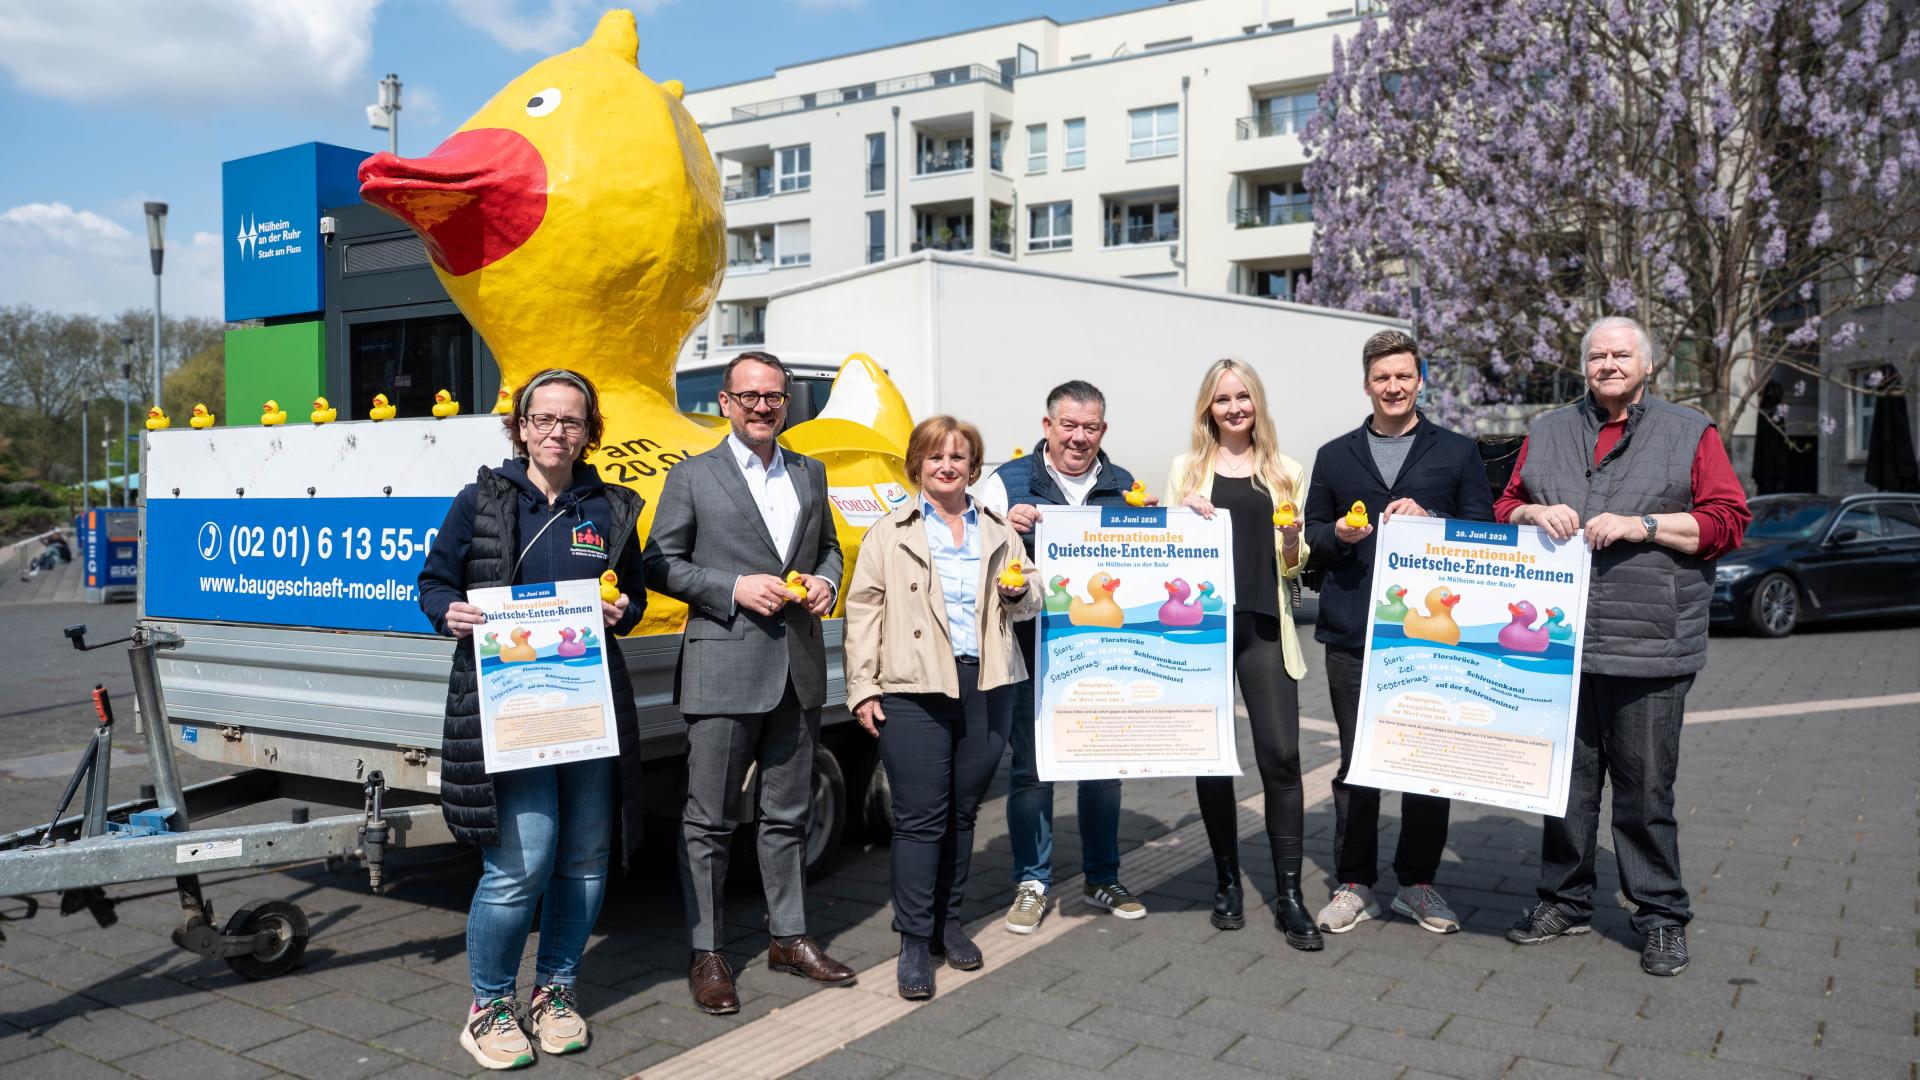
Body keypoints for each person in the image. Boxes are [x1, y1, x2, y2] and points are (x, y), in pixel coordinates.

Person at [1497, 315, 1750, 977]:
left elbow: (1727, 522)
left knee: (1644, 792)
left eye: (1620, 354)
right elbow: (1503, 506)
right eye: (1597, 356)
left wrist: (1643, 525)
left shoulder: (1689, 430)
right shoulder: (1549, 430)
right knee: (1566, 786)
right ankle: (1564, 899)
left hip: (1649, 643)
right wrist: (1529, 513)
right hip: (1558, 643)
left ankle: (1661, 914)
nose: (1608, 364)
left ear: (1647, 364)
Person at [417, 368, 648, 1070]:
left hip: (583, 706)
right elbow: (433, 582)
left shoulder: (608, 509)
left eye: (571, 421)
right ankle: (489, 1005)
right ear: (520, 427)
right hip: (508, 707)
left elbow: (631, 596)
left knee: (583, 860)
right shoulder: (479, 501)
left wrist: (622, 612)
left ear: (590, 431)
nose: (556, 432)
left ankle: (554, 992)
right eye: (543, 419)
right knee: (523, 860)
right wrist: (445, 612)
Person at [641, 350, 856, 1014]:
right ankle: (708, 952)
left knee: (787, 815)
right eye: (750, 395)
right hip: (724, 666)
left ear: (785, 403)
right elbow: (660, 563)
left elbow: (828, 548)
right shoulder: (692, 476)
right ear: (727, 403)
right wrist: (733, 587)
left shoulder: (810, 472)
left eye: (775, 396)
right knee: (708, 822)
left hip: (797, 668)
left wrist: (826, 580)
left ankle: (788, 937)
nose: (764, 406)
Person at [1303, 330, 1494, 936]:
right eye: (1382, 378)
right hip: (1355, 630)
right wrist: (1340, 535)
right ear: (1367, 384)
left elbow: (1483, 533)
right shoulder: (1335, 455)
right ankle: (1355, 882)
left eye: (1403, 377)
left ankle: (1417, 883)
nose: (1393, 387)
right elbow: (1310, 534)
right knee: (1358, 761)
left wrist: (1433, 520)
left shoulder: (1457, 452)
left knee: (1425, 758)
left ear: (1420, 380)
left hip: (1430, 639)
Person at [845, 416, 1040, 999]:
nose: (946, 466)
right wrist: (862, 687)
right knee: (919, 817)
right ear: (917, 464)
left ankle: (947, 923)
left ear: (972, 467)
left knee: (961, 814)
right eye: (935, 457)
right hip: (913, 687)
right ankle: (911, 936)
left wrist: (1017, 592)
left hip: (989, 683)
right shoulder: (889, 531)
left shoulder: (1000, 528)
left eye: (958, 457)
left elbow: (1030, 596)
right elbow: (864, 613)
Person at [974, 380, 1151, 934]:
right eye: (1069, 425)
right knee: (1031, 771)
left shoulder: (1124, 487)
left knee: (1102, 767)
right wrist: (1001, 527)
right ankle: (1032, 881)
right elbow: (964, 550)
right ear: (1047, 426)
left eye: (1091, 427)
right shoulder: (1004, 484)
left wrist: (1190, 515)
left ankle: (1102, 876)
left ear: (1104, 430)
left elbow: (1156, 555)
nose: (1079, 437)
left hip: (1103, 656)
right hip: (1030, 652)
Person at [1165, 358, 1321, 950]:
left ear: (1257, 403)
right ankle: (1227, 881)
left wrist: (1290, 539)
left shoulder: (1286, 469)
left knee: (1281, 757)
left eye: (1243, 397)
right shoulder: (1188, 469)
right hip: (1205, 628)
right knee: (1212, 755)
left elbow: (1294, 566)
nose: (1234, 408)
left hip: (1263, 624)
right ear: (1209, 406)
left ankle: (1289, 895)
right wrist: (1181, 514)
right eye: (1223, 398)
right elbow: (1170, 551)